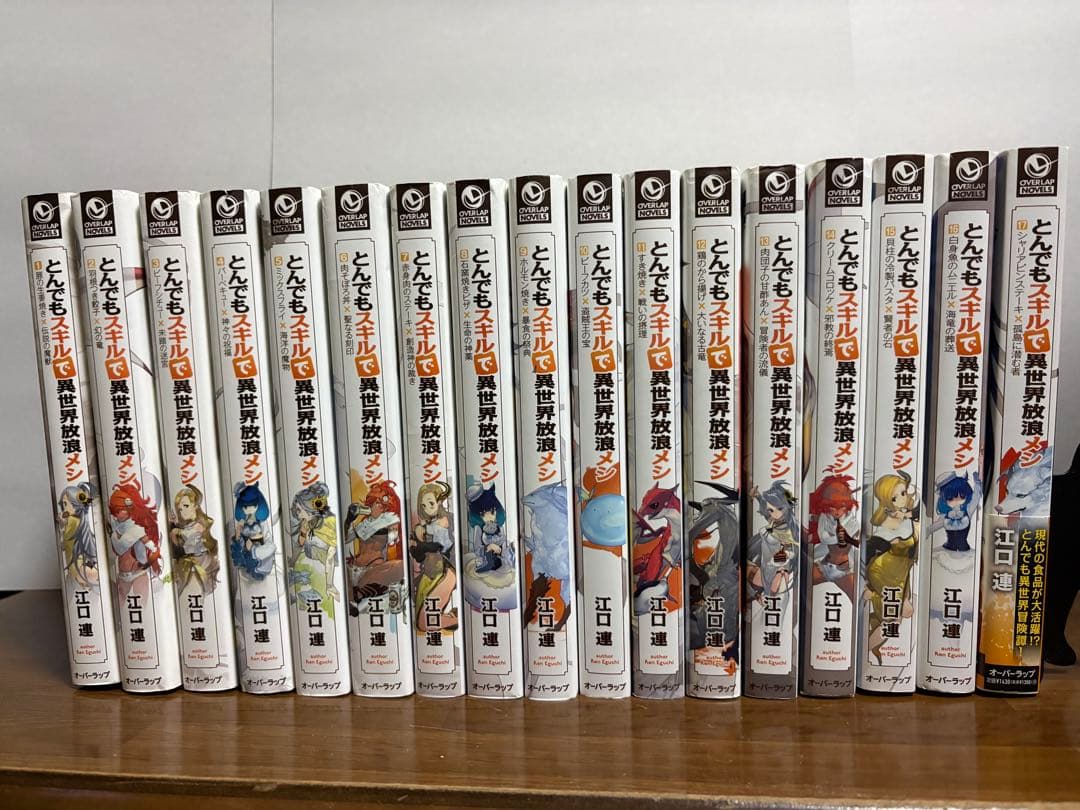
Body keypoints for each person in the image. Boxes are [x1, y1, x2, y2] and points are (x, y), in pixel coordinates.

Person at [863, 473, 919, 664]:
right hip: (883, 571)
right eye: (895, 497)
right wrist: (867, 585)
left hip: (901, 572)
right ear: (886, 501)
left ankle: (870, 640)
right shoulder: (885, 526)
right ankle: (862, 650)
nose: (903, 499)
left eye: (903, 493)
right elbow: (870, 550)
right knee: (896, 617)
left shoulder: (907, 516)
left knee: (899, 614)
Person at [288, 482, 340, 619]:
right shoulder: (307, 522)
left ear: (309, 509)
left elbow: (331, 558)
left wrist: (330, 584)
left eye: (299, 509)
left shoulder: (330, 523)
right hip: (309, 562)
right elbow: (300, 545)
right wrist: (291, 563)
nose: (297, 513)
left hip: (326, 568)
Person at [169, 485, 220, 594]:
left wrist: (177, 531)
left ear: (195, 506)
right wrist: (174, 528)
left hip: (200, 561)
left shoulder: (199, 525)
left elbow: (190, 533)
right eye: (180, 508)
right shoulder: (185, 525)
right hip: (188, 562)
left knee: (193, 588)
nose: (182, 511)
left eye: (186, 506)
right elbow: (179, 543)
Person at [57, 483, 99, 588]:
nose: (64, 509)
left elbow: (64, 521)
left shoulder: (74, 520)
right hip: (76, 568)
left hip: (78, 567)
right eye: (63, 505)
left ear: (75, 504)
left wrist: (62, 522)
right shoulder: (79, 520)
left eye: (66, 504)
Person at [231, 483, 275, 580]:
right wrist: (238, 533)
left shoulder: (262, 522)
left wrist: (254, 550)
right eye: (246, 507)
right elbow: (238, 543)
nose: (250, 510)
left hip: (259, 556)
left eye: (254, 505)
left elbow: (270, 542)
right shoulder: (242, 523)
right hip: (245, 556)